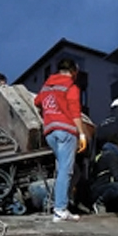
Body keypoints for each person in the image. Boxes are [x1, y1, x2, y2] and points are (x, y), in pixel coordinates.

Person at [34, 58, 84, 222]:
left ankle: (63, 202)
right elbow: (75, 112)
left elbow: (37, 101)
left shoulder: (47, 85)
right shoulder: (71, 86)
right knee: (65, 170)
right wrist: (82, 134)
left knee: (70, 170)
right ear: (74, 72)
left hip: (50, 133)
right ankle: (60, 209)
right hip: (66, 131)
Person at [88, 130, 118, 215]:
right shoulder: (110, 155)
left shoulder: (106, 152)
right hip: (100, 188)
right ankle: (99, 203)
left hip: (106, 186)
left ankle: (117, 206)